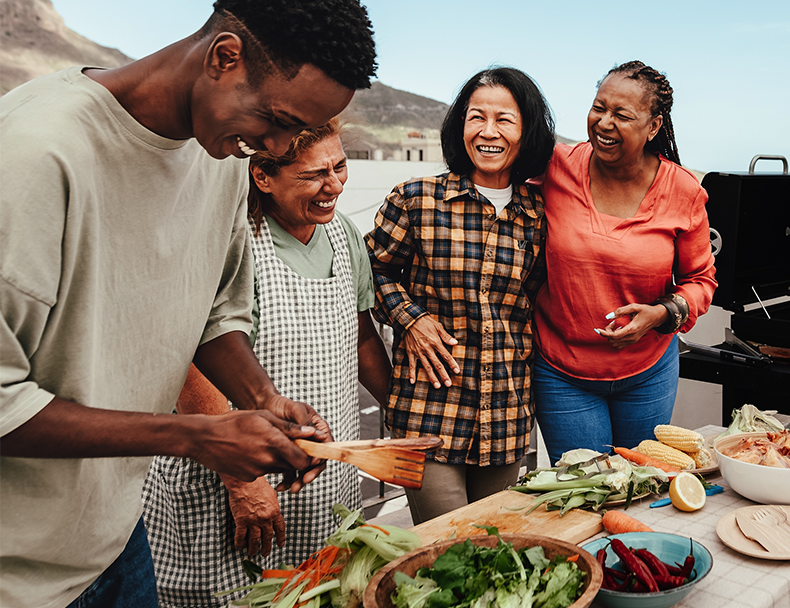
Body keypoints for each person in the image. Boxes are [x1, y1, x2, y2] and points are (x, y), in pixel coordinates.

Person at [0, 0, 376, 608]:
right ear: (224, 57)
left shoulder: (224, 154)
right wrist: (196, 437)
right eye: (279, 120)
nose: (280, 149)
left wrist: (261, 397)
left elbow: (214, 311)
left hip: (117, 538)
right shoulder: (35, 154)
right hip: (19, 570)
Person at [141, 120, 392, 606]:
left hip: (323, 478)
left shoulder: (343, 235)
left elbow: (361, 337)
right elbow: (187, 362)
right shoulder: (227, 236)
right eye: (314, 175)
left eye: (340, 167)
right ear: (262, 176)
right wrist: (243, 481)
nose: (335, 185)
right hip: (228, 479)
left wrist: (403, 413)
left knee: (321, 590)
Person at [367, 67, 556, 524]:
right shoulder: (415, 199)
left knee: (499, 547)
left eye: (504, 120)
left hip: (506, 411)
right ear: (460, 125)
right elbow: (372, 271)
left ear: (526, 130)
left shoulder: (540, 216)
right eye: (477, 117)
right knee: (445, 550)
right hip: (429, 408)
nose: (488, 132)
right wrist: (410, 318)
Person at [530, 61, 716, 462]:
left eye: (622, 115)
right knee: (587, 491)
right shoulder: (555, 167)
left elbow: (700, 280)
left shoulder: (683, 190)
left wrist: (663, 313)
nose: (604, 123)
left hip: (647, 375)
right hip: (562, 372)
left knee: (639, 490)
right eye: (599, 108)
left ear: (653, 127)